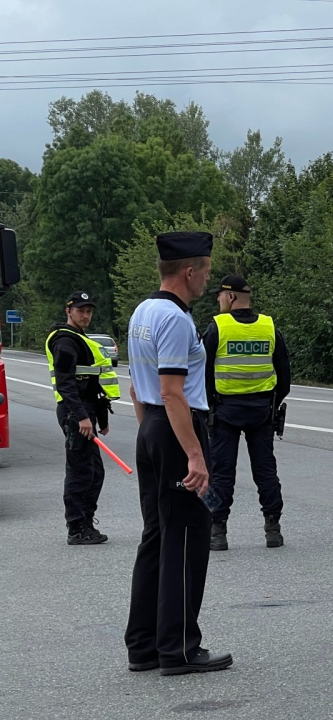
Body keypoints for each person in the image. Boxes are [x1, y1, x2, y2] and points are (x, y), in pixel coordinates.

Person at [123, 231, 233, 676]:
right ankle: (180, 648)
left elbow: (138, 387)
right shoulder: (176, 319)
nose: (208, 279)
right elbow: (173, 392)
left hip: (152, 425)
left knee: (157, 535)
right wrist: (194, 455)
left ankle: (144, 645)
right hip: (175, 428)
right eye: (206, 271)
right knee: (186, 536)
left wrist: (149, 434)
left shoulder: (142, 312)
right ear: (189, 271)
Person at [202, 274, 290, 550]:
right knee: (266, 471)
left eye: (220, 295)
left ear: (230, 297)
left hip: (224, 411)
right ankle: (273, 529)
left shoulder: (217, 327)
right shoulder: (269, 327)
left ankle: (217, 531)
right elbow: (284, 376)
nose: (218, 300)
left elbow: (202, 373)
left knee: (220, 473)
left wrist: (208, 406)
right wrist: (271, 404)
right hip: (262, 411)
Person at [45, 291, 120, 544]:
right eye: (80, 311)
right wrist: (81, 418)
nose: (86, 315)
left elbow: (91, 382)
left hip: (84, 411)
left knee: (94, 472)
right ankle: (77, 529)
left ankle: (85, 523)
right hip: (74, 412)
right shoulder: (65, 341)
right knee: (80, 472)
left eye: (88, 311)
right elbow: (66, 384)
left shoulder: (80, 338)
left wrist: (102, 418)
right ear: (69, 311)